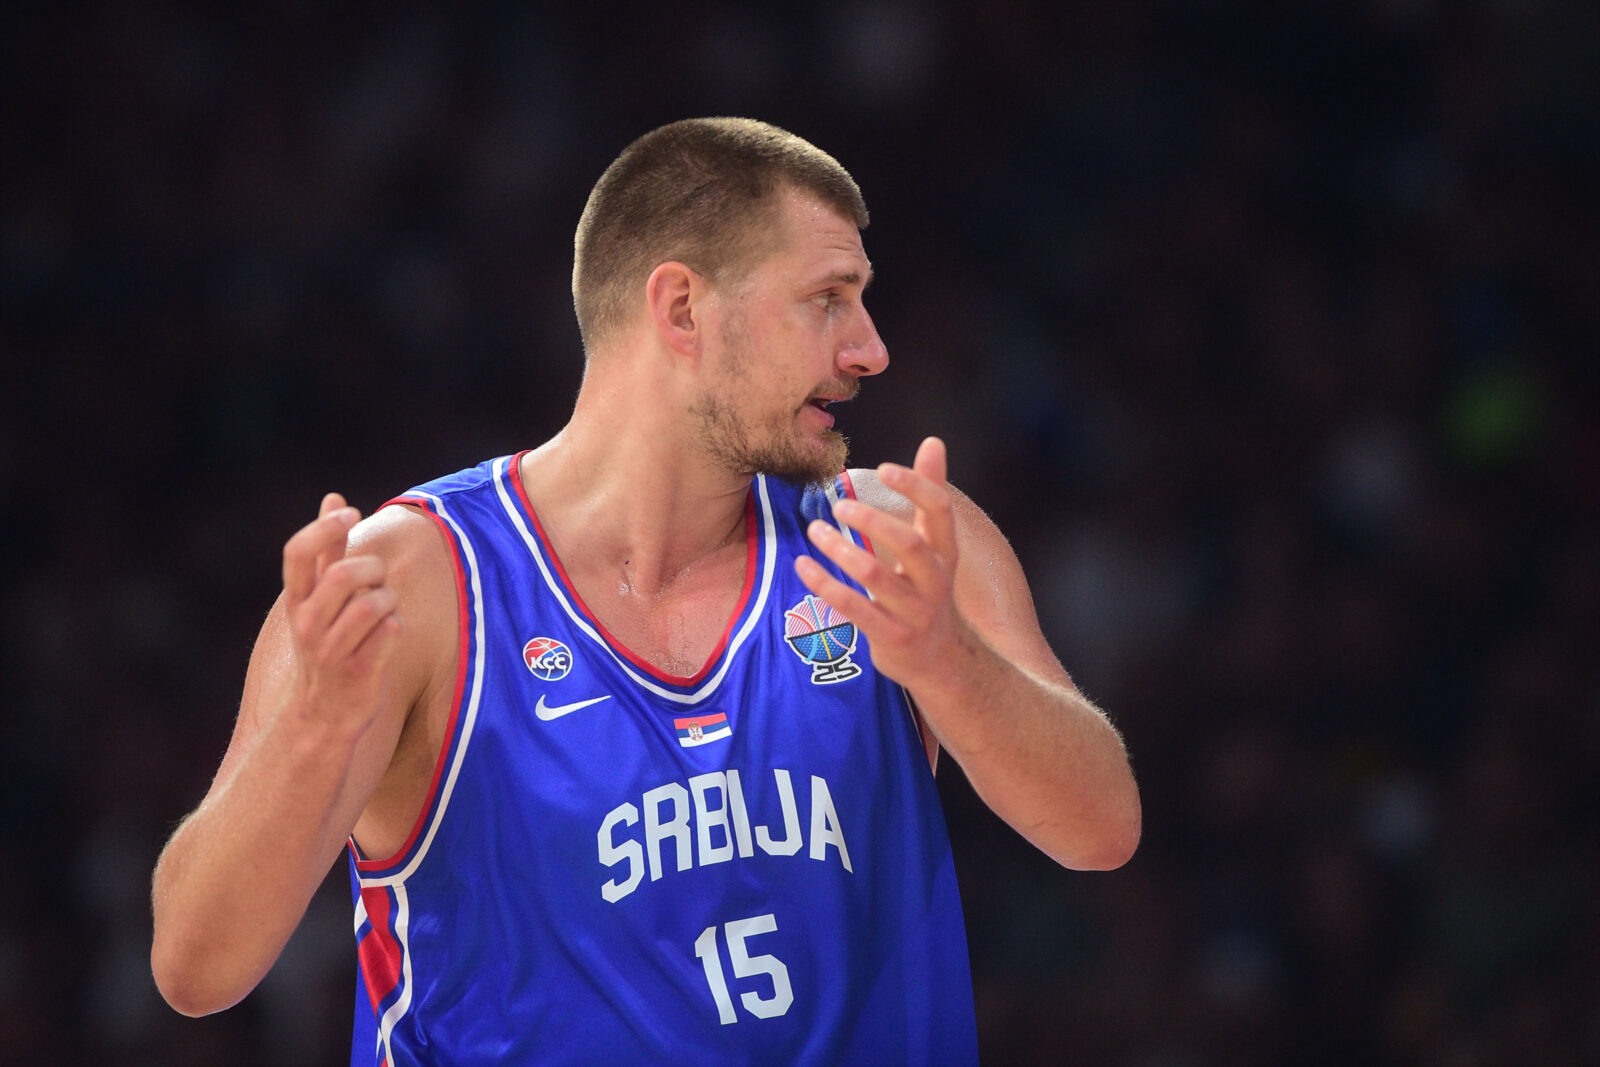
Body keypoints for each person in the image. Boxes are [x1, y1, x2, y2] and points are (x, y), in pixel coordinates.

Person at [150, 117, 1141, 1064]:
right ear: (680, 309)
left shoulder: (895, 540)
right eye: (827, 298)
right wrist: (317, 729)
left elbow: (1102, 828)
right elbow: (196, 966)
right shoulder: (419, 584)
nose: (869, 348)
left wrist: (947, 662)